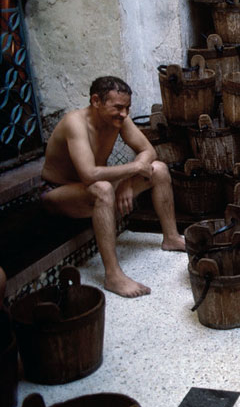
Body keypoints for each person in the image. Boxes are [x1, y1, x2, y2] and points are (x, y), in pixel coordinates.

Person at [40, 76, 185, 297]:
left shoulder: (119, 119)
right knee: (103, 189)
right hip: (59, 192)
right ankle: (113, 275)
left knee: (159, 169)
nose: (124, 114)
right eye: (118, 107)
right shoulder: (75, 123)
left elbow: (148, 152)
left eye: (127, 108)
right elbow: (89, 175)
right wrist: (133, 170)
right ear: (96, 101)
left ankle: (172, 238)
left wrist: (127, 180)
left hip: (96, 184)